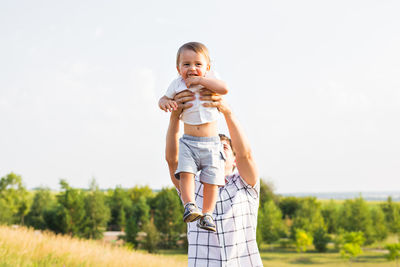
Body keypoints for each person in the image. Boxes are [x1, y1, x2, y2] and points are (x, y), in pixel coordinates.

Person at [165, 90, 263, 267]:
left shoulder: (245, 185)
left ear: (234, 160)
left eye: (223, 147)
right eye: (212, 147)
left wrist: (227, 112)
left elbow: (246, 155)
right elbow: (173, 161)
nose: (217, 150)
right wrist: (175, 118)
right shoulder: (192, 188)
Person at [158, 42, 229, 232]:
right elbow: (163, 98)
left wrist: (202, 82)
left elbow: (224, 89)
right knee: (186, 173)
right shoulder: (177, 84)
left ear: (207, 67)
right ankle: (189, 205)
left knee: (212, 180)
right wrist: (165, 102)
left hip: (212, 142)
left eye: (198, 64)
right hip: (188, 141)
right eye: (186, 64)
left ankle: (208, 214)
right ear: (178, 68)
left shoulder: (211, 79)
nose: (192, 69)